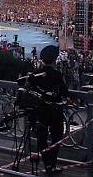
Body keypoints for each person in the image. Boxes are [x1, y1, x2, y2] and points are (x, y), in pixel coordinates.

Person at [28, 45, 69, 175]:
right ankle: (52, 163)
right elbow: (64, 92)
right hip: (55, 112)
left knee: (42, 139)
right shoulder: (58, 75)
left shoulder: (35, 75)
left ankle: (47, 165)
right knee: (56, 138)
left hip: (40, 112)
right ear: (55, 59)